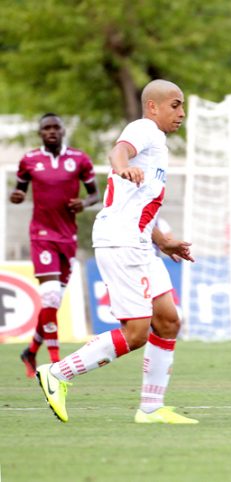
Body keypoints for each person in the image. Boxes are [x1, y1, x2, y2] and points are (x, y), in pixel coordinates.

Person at [35, 79, 198, 424]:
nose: (181, 112)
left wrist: (162, 239)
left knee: (168, 319)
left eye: (182, 105)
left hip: (138, 241)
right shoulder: (144, 129)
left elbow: (136, 203)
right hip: (120, 243)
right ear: (153, 107)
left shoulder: (158, 144)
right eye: (175, 104)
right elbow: (118, 151)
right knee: (137, 333)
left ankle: (151, 408)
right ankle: (58, 373)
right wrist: (122, 164)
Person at [11, 113, 99, 378]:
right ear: (40, 133)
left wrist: (84, 203)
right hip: (42, 235)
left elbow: (94, 193)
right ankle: (56, 364)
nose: (51, 131)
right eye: (46, 128)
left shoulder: (79, 159)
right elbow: (20, 192)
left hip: (67, 237)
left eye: (55, 127)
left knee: (53, 303)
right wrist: (16, 196)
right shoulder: (29, 160)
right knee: (49, 297)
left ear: (63, 131)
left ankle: (31, 349)